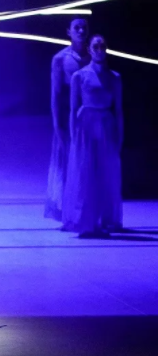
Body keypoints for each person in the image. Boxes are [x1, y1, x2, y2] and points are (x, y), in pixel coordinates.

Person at [62, 35, 123, 237]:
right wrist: (73, 134)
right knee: (85, 170)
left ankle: (104, 218)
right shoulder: (79, 76)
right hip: (86, 124)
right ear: (89, 49)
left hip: (106, 124)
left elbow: (119, 110)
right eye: (95, 46)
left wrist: (120, 134)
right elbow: (73, 109)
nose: (99, 49)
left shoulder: (114, 77)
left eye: (102, 46)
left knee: (106, 172)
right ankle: (86, 219)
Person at [45, 17, 90, 221]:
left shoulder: (94, 55)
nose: (80, 31)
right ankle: (66, 208)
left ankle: (85, 206)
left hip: (89, 116)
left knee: (87, 161)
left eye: (84, 27)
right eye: (76, 28)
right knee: (67, 161)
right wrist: (57, 124)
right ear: (69, 32)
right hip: (67, 117)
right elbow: (55, 94)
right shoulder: (60, 59)